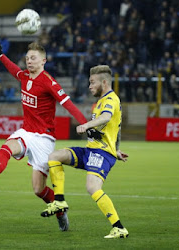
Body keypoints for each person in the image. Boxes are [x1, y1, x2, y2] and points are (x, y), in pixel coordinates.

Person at [0, 41, 87, 231]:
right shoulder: (24, 76)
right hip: (27, 132)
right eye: (27, 58)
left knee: (38, 189)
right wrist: (1, 56)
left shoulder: (48, 82)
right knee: (8, 145)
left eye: (33, 58)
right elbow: (13, 70)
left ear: (43, 61)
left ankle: (60, 212)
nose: (29, 61)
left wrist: (84, 123)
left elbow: (67, 102)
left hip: (44, 139)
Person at [41, 65, 129, 238]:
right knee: (55, 156)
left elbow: (106, 117)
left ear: (104, 82)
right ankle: (59, 201)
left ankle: (119, 227)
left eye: (92, 82)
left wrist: (86, 125)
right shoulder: (100, 102)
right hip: (92, 150)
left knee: (92, 187)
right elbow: (116, 128)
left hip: (101, 153)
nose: (89, 86)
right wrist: (117, 149)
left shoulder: (110, 100)